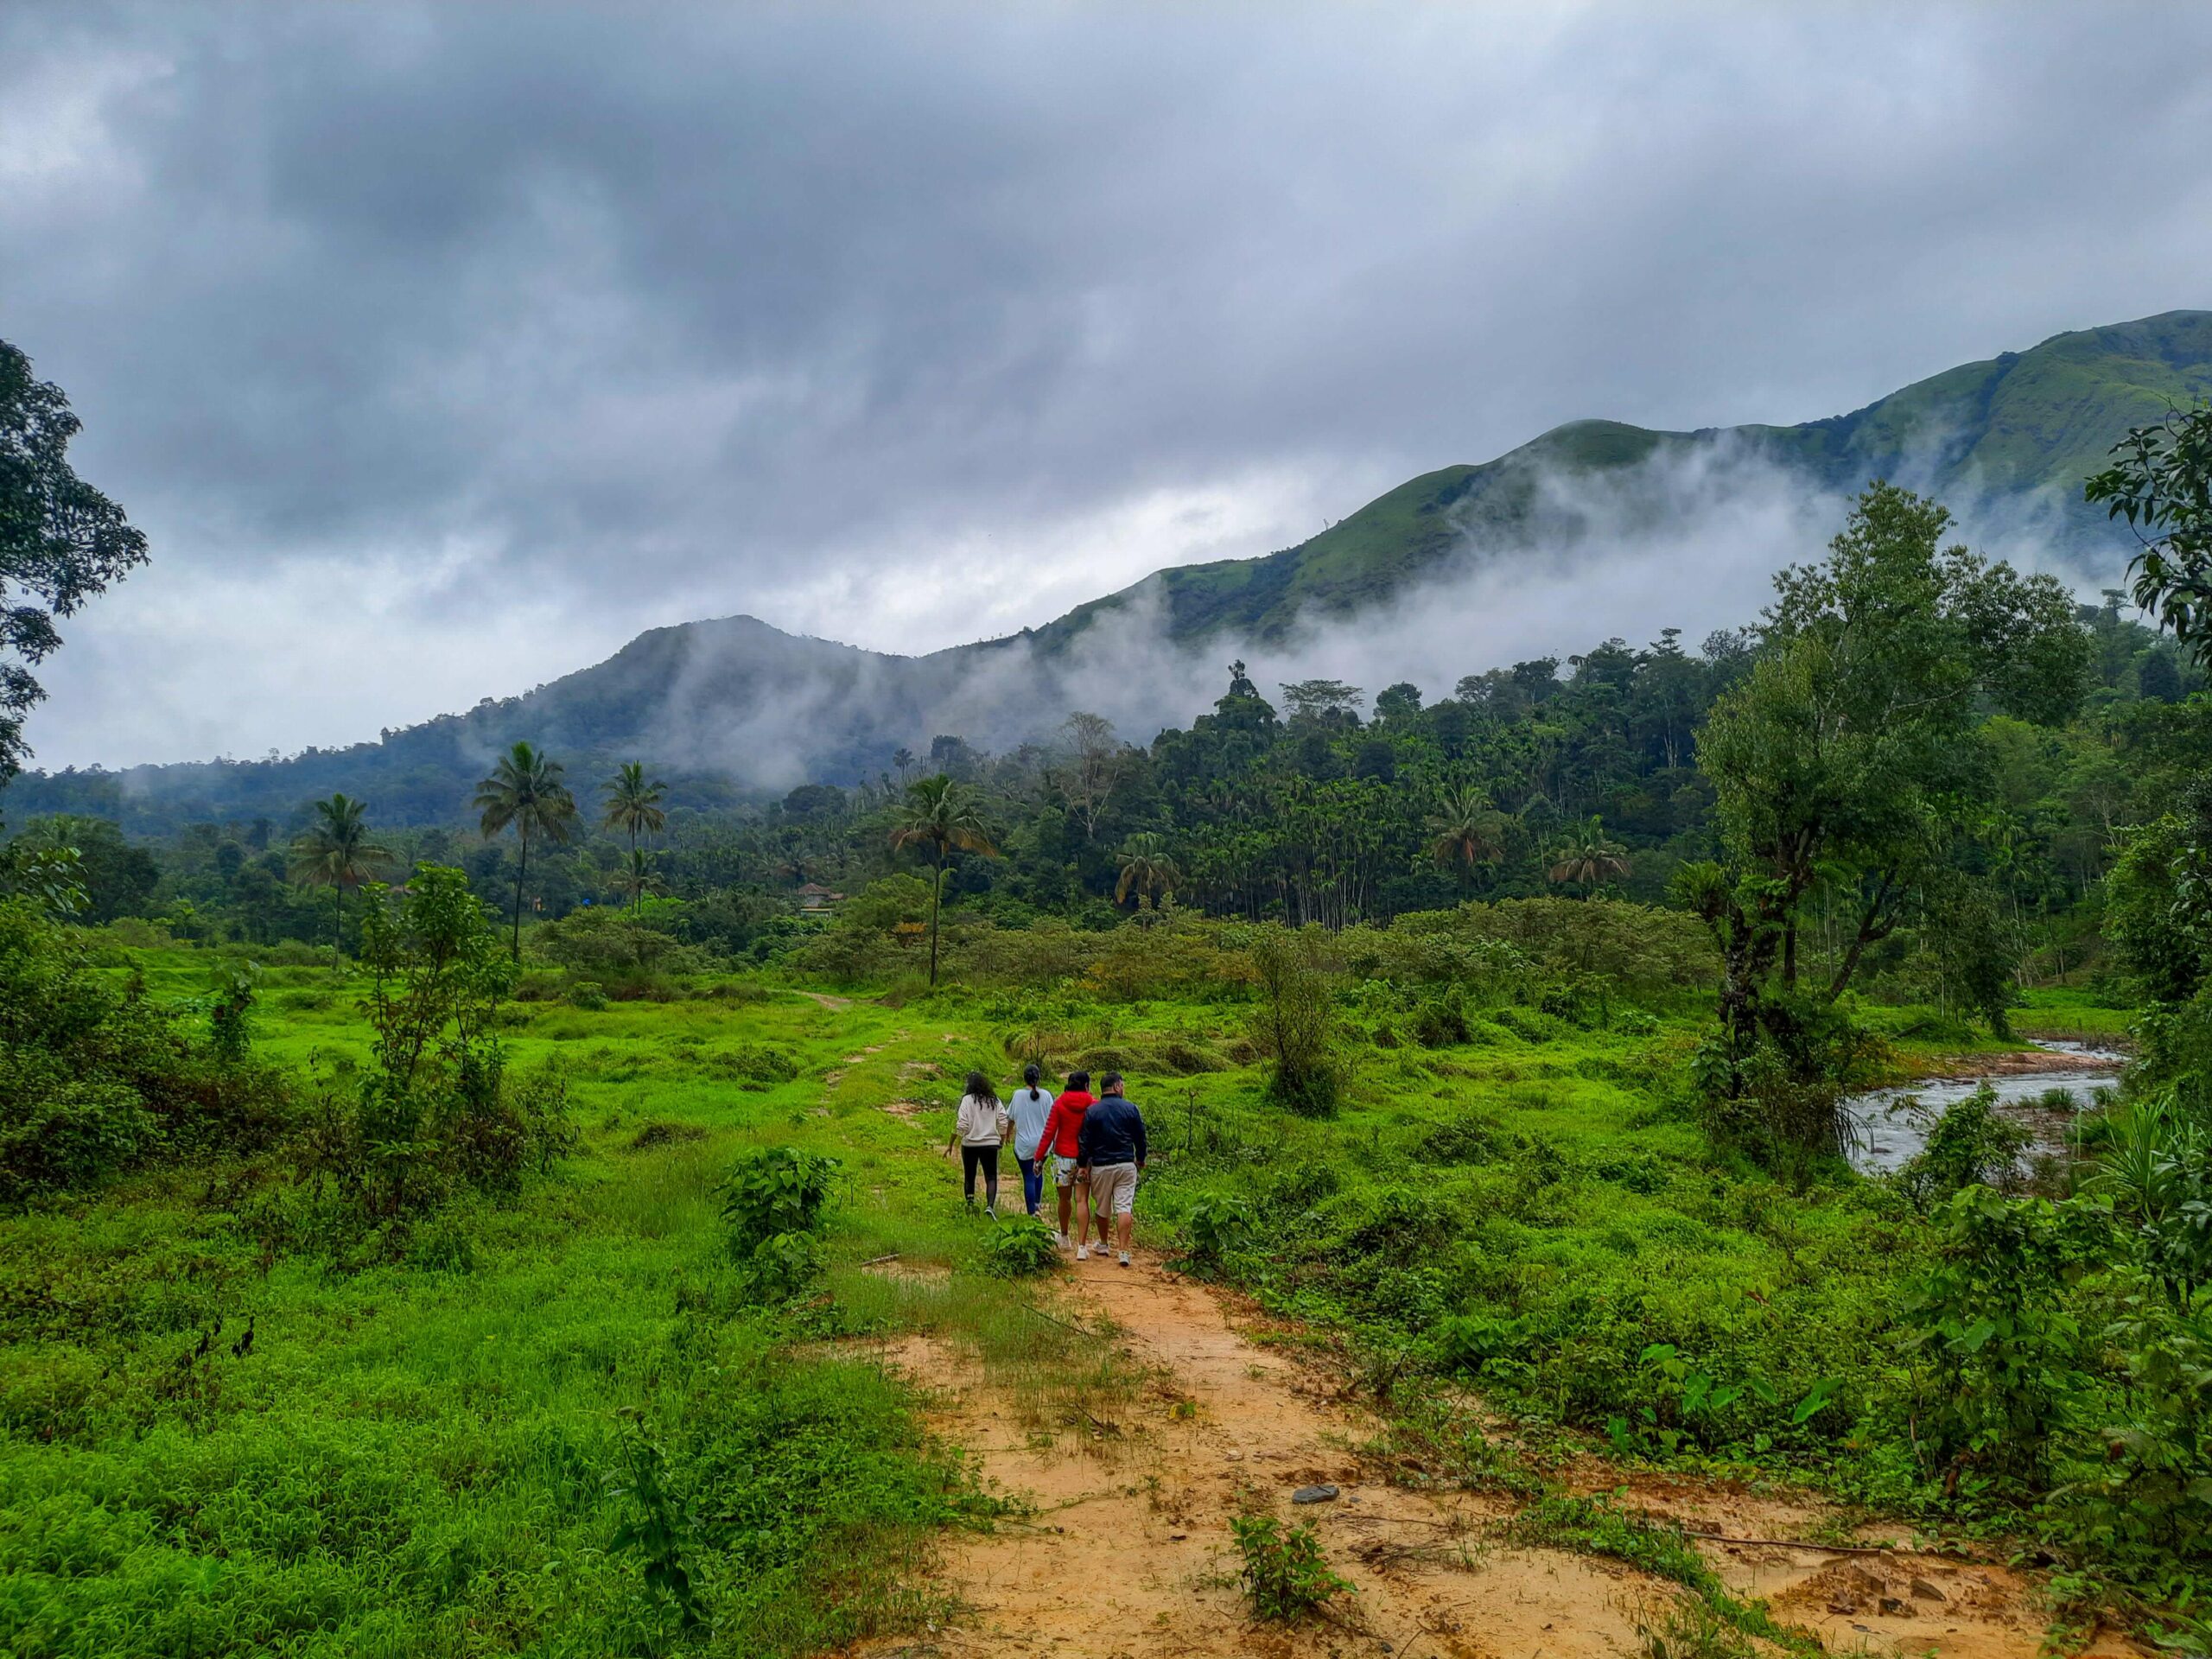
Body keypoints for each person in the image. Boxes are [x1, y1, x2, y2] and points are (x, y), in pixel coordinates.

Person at [1077, 1071, 1147, 1268]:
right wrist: (1140, 1158)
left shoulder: (1093, 1111)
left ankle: (1104, 1243)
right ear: (1116, 1087)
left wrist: (1083, 1165)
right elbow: (1140, 1137)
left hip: (1101, 1166)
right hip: (1126, 1164)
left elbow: (1085, 1140)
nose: (1123, 1089)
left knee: (1102, 1207)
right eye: (1122, 1085)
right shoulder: (1131, 1108)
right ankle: (1123, 1251)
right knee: (1124, 1206)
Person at [1037, 1070, 1096, 1253]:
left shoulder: (1060, 1103)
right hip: (1084, 1160)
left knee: (1064, 1199)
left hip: (1062, 1158)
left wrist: (1038, 1158)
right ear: (1087, 1085)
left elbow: (1049, 1132)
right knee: (1082, 1200)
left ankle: (1064, 1237)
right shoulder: (1093, 1104)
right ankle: (1082, 1246)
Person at [950, 1070, 1009, 1216]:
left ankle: (970, 1204)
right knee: (991, 1176)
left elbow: (962, 1124)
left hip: (970, 1144)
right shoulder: (993, 1099)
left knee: (970, 1175)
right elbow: (1003, 1120)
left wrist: (954, 1141)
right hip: (990, 1144)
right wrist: (1001, 1139)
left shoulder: (967, 1100)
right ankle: (990, 1206)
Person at [1005, 1062, 1055, 1219]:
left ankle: (1031, 1214)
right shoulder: (1046, 1096)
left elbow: (1010, 1119)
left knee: (1028, 1176)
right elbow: (1052, 1119)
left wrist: (1007, 1135)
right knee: (1038, 1172)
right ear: (1039, 1078)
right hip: (1043, 1145)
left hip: (1024, 1145)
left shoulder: (1018, 1095)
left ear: (1024, 1078)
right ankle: (1038, 1205)